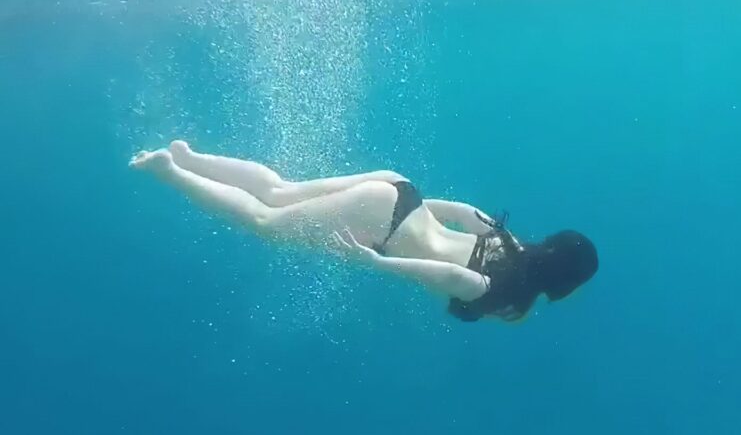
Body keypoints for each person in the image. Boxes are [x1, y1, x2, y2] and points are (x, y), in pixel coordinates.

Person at [128, 141, 598, 322]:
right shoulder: (508, 295)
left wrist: (413, 210)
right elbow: (457, 279)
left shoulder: (508, 239)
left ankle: (190, 157)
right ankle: (172, 172)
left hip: (399, 190)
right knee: (264, 223)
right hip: (382, 223)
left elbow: (461, 212)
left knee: (278, 190)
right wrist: (379, 262)